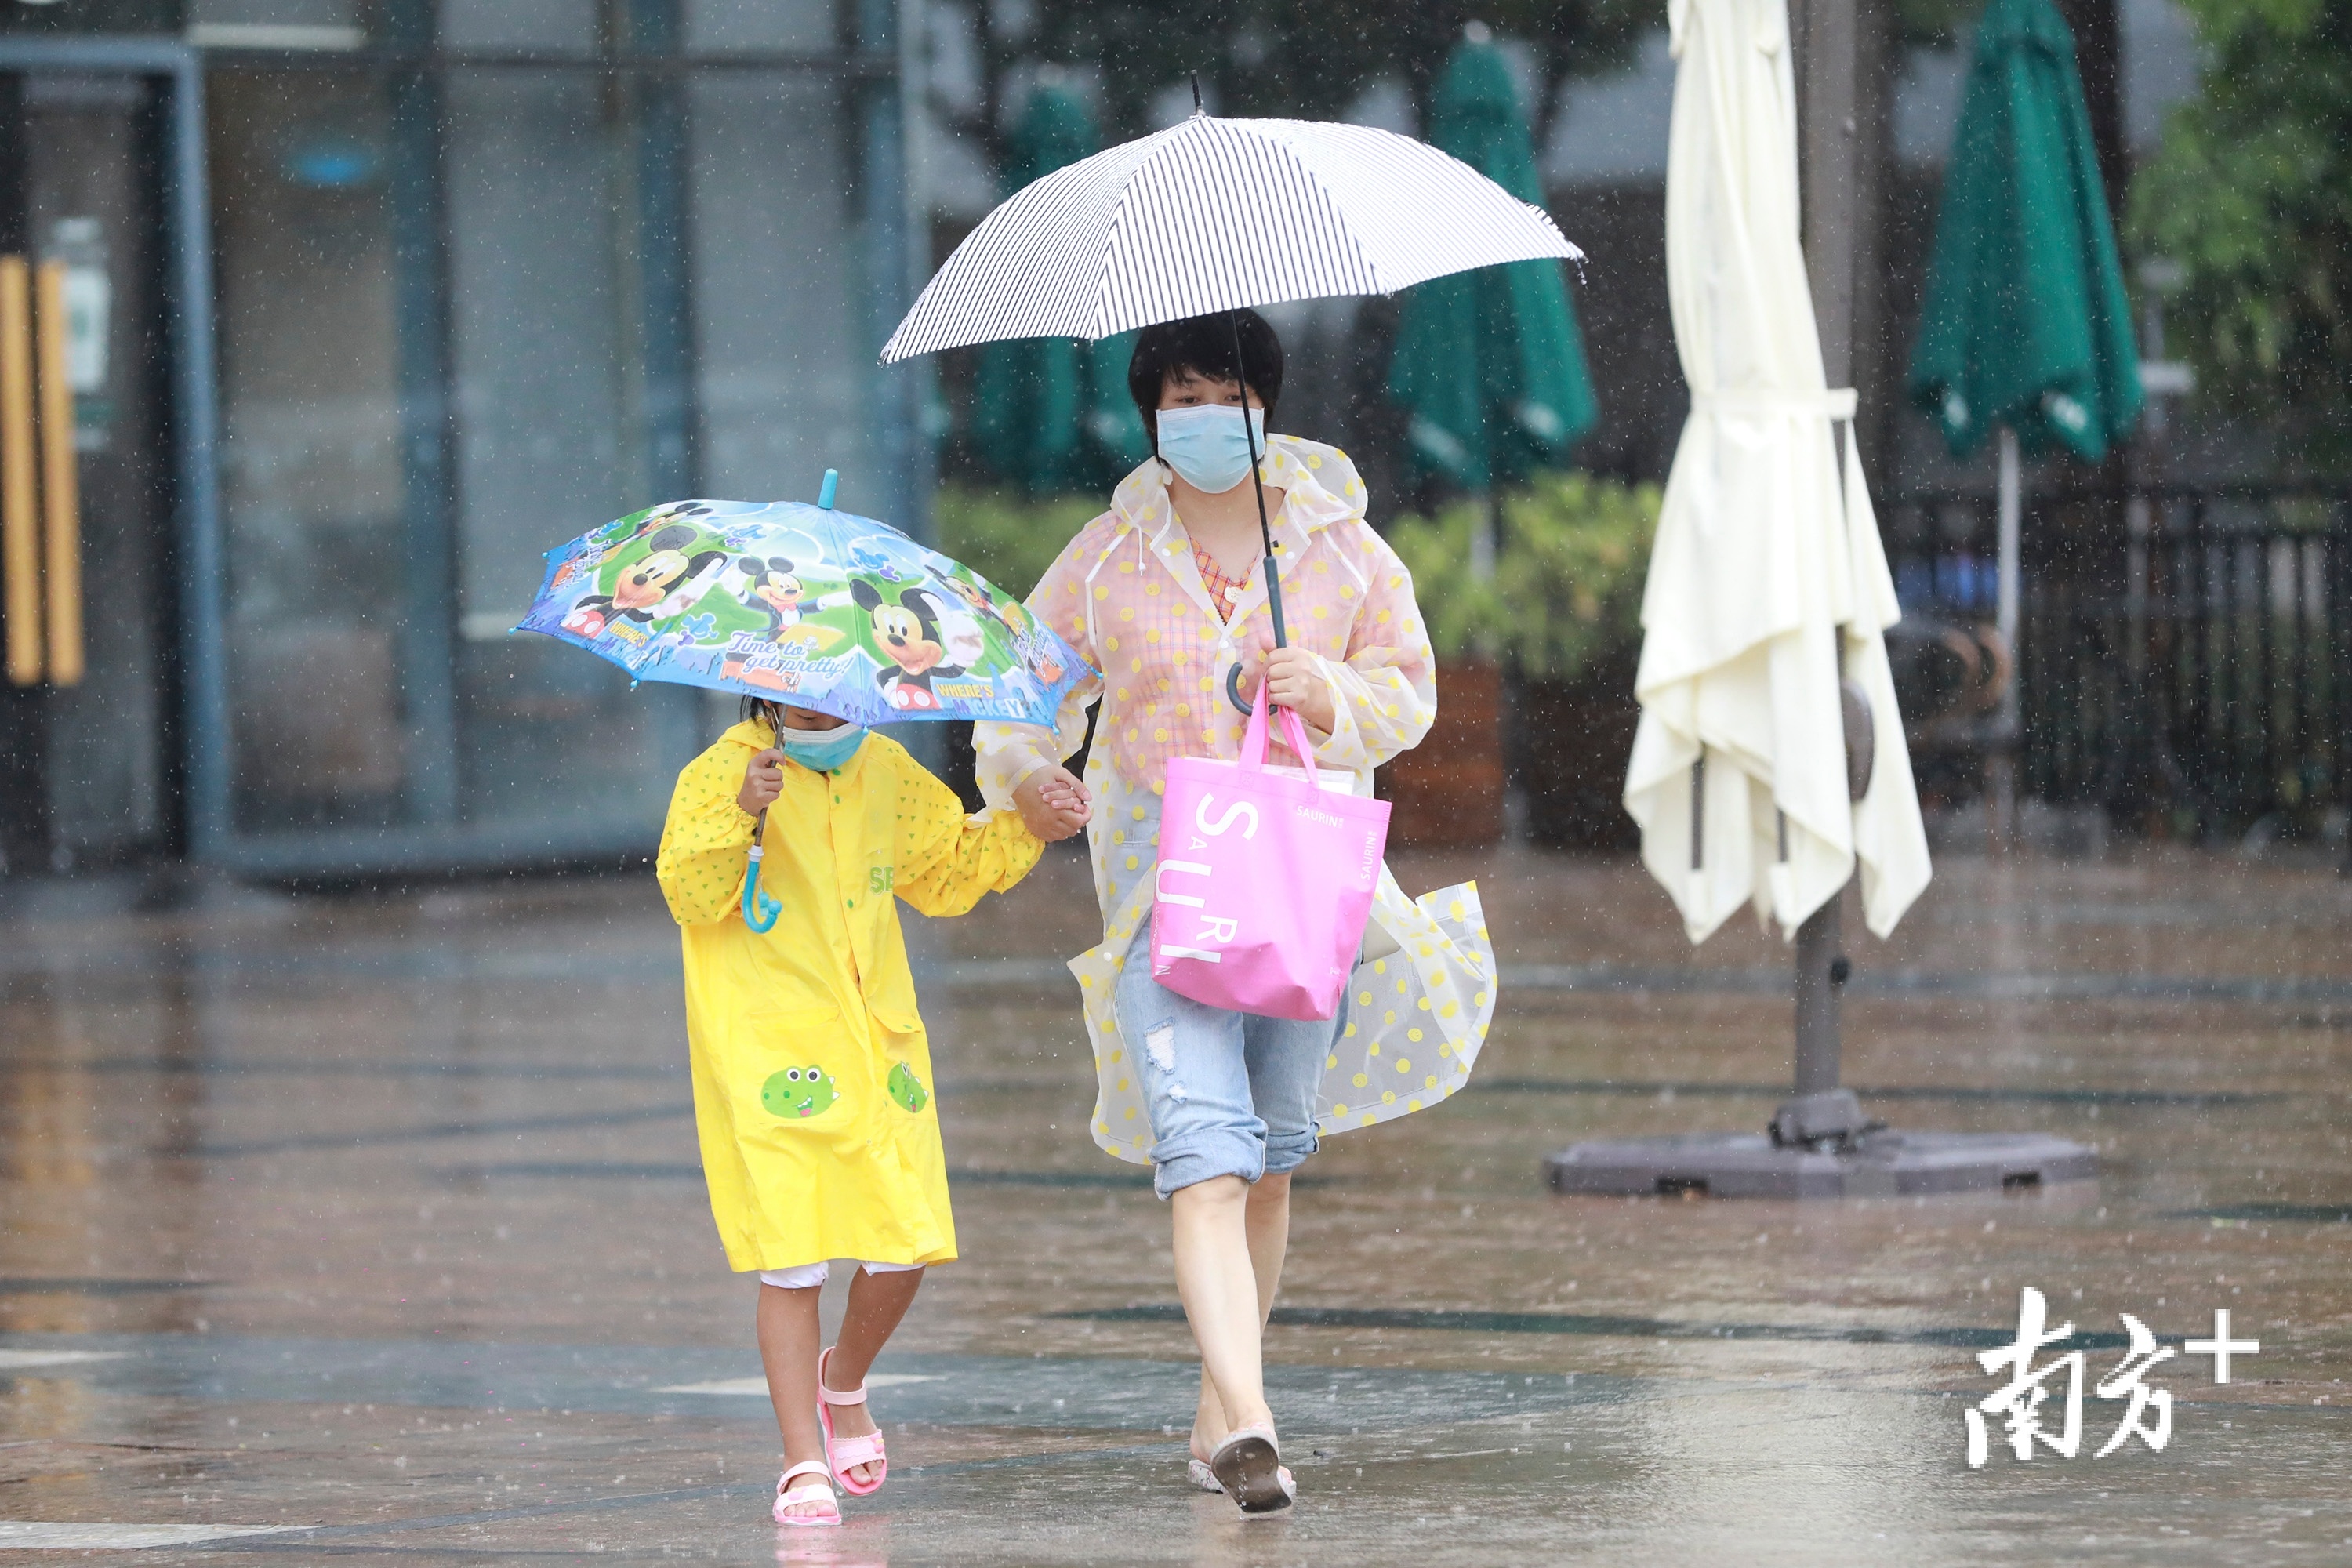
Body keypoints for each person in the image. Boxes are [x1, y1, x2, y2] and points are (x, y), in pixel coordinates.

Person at [976, 309, 1494, 1513]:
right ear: (1150, 411)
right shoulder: (1104, 556)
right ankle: (1253, 1420)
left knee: (1268, 1162)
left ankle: (1218, 1415)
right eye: (1181, 396)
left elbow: (1406, 693)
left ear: (1266, 401)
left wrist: (1329, 694)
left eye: (1226, 393)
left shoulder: (1339, 545)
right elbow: (1024, 689)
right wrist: (1024, 774)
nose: (1204, 417)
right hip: (1165, 894)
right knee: (1202, 1162)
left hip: (1302, 883)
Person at [656, 698, 1087, 1526]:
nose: (821, 694)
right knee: (793, 1256)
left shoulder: (882, 765)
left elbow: (947, 869)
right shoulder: (721, 770)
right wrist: (740, 812)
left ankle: (842, 1379)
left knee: (906, 1241)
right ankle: (800, 1458)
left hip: (879, 1044)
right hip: (771, 1052)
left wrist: (1026, 820)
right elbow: (690, 893)